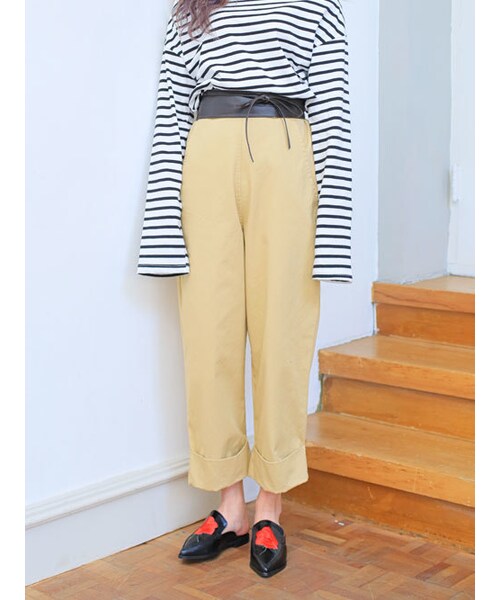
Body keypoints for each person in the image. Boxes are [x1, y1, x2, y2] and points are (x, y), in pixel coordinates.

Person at [137, 0, 352, 578]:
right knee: (209, 336)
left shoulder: (318, 6)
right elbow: (170, 115)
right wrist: (162, 233)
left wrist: (333, 238)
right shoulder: (191, 9)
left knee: (282, 335)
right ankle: (230, 506)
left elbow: (334, 119)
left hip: (287, 156)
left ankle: (269, 507)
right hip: (205, 158)